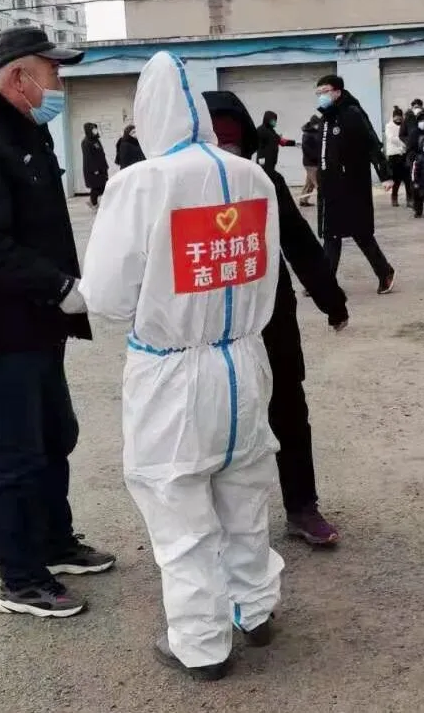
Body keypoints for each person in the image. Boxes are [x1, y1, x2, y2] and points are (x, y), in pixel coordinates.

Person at [79, 52, 283, 681]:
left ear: (148, 115)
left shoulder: (141, 183)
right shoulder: (253, 176)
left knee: (179, 508)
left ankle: (201, 644)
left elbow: (107, 296)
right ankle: (256, 609)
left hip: (172, 372)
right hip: (244, 359)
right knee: (244, 494)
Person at [0, 26, 115, 620]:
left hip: (35, 325)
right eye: (53, 71)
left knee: (54, 436)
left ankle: (54, 542)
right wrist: (59, 287)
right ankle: (20, 579)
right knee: (14, 454)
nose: (59, 83)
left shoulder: (24, 134)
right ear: (19, 77)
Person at [203, 89, 348, 547]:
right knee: (212, 420)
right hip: (207, 328)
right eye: (215, 140)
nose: (225, 150)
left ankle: (302, 507)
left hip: (269, 316)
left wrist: (332, 300)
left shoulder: (263, 182)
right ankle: (209, 524)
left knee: (287, 409)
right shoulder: (174, 190)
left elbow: (300, 244)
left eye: (232, 141)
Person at [314, 74, 397, 295]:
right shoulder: (325, 118)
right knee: (331, 235)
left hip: (351, 184)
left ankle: (385, 272)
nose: (321, 96)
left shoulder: (352, 114)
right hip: (330, 185)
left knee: (361, 232)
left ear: (337, 91)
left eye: (325, 91)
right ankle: (325, 281)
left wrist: (385, 175)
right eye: (318, 93)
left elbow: (371, 143)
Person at [255, 110, 297, 177]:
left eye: (275, 120)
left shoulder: (271, 131)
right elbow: (278, 140)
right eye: (273, 120)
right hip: (264, 161)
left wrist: (295, 143)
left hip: (271, 161)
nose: (275, 122)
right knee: (267, 177)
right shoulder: (261, 130)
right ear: (268, 119)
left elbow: (281, 141)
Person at [384, 106, 411, 208]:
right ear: (393, 117)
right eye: (397, 116)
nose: (398, 118)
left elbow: (408, 137)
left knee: (408, 179)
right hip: (394, 155)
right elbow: (391, 139)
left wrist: (404, 144)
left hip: (404, 155)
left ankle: (409, 199)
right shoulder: (389, 126)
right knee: (396, 179)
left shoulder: (405, 125)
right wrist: (403, 144)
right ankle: (394, 198)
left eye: (400, 116)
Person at [80, 122, 110, 208]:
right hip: (94, 169)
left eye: (95, 128)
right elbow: (88, 157)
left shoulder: (96, 140)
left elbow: (101, 153)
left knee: (102, 185)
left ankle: (92, 201)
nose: (95, 130)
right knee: (96, 187)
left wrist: (105, 165)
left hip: (101, 167)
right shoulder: (86, 142)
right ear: (89, 130)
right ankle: (94, 203)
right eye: (93, 129)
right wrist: (94, 169)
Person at [299, 114, 322, 207]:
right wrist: (317, 157)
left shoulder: (315, 132)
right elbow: (307, 150)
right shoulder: (307, 134)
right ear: (313, 124)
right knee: (318, 183)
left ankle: (303, 200)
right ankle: (323, 201)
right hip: (310, 163)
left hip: (312, 162)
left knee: (309, 183)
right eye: (317, 124)